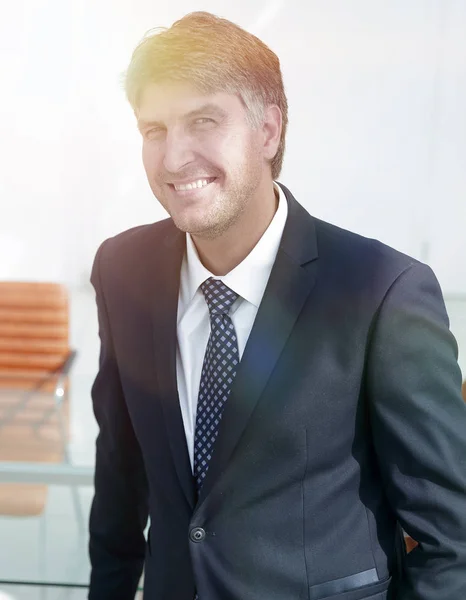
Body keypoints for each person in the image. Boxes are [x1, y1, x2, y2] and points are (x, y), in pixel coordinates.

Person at [88, 11, 466, 600]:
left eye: (203, 120)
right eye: (153, 129)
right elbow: (119, 481)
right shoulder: (121, 271)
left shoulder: (382, 290)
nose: (171, 158)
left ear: (268, 130)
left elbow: (453, 542)